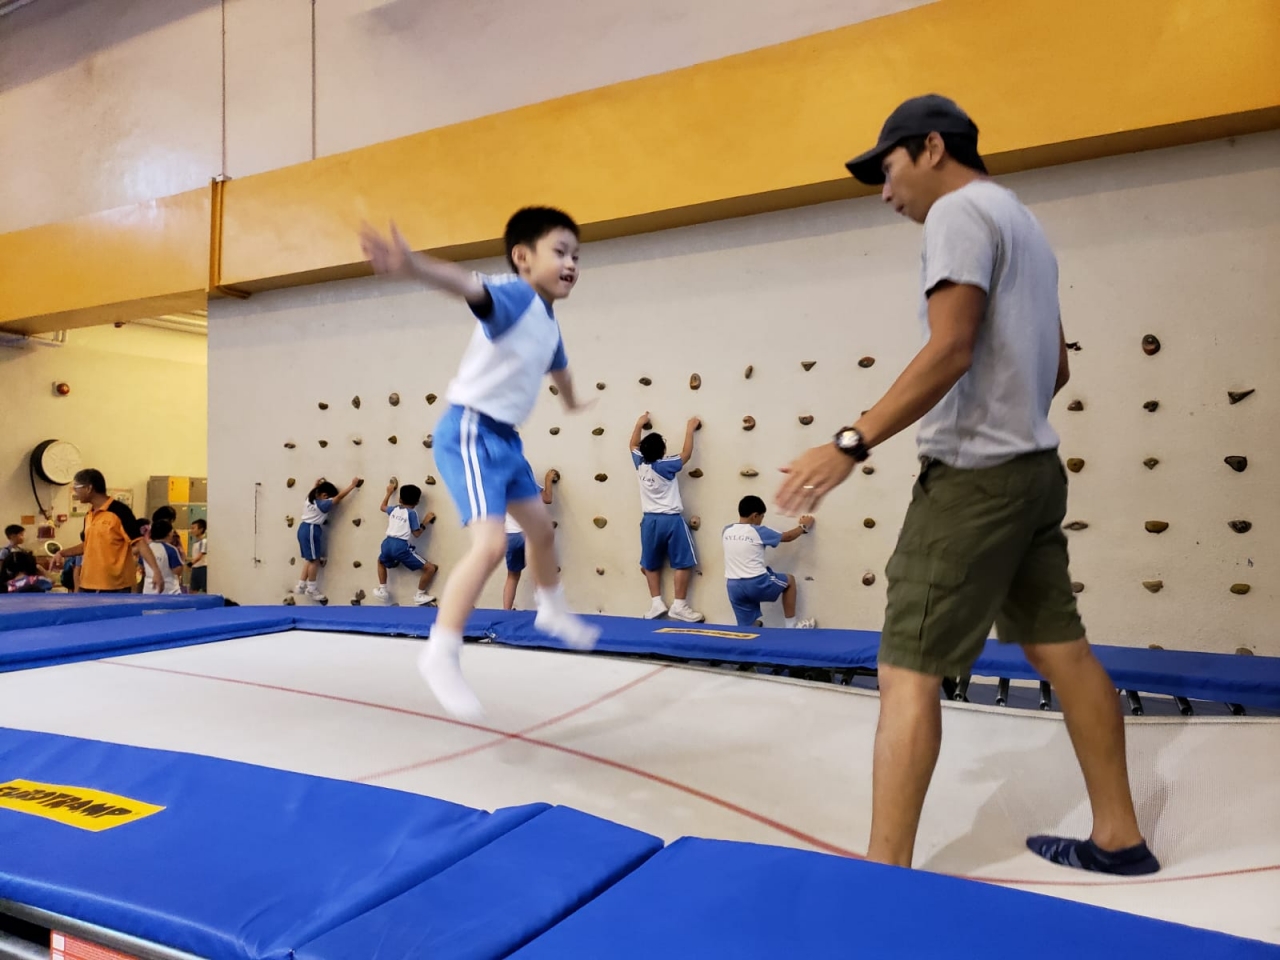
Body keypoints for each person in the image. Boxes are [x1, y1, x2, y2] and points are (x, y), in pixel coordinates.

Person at [776, 94, 1156, 876]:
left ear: (932, 148)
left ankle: (884, 877)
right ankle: (1119, 836)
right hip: (1034, 473)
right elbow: (1057, 366)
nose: (885, 192)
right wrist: (1012, 427)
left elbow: (952, 349)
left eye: (888, 170)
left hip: (973, 482)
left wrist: (851, 442)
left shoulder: (957, 213)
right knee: (1062, 651)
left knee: (907, 668)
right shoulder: (1024, 223)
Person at [360, 207, 600, 721]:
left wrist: (573, 401)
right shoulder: (514, 296)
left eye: (576, 256)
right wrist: (413, 266)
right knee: (490, 545)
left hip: (505, 441)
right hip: (469, 430)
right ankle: (441, 652)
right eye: (560, 252)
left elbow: (559, 369)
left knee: (541, 530)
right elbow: (467, 286)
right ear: (523, 258)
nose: (571, 264)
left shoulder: (548, 322)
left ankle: (552, 609)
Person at [630, 412, 704, 622]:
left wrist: (639, 424)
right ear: (662, 451)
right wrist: (690, 429)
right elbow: (686, 454)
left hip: (649, 521)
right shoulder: (665, 465)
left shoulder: (640, 463)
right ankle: (679, 605)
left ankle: (656, 603)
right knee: (683, 562)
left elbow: (632, 445)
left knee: (650, 563)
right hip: (671, 520)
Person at [54, 469, 163, 594]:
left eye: (76, 487)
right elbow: (87, 545)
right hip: (88, 585)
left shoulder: (120, 511)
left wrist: (156, 571)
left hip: (115, 587)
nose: (75, 492)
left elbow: (140, 542)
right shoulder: (89, 515)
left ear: (89, 488)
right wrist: (62, 553)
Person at [722, 496, 816, 628]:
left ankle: (751, 632)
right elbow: (788, 537)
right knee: (789, 581)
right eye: (762, 517)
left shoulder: (726, 530)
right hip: (756, 583)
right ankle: (791, 626)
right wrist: (803, 526)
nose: (761, 520)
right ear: (755, 516)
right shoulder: (758, 531)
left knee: (747, 628)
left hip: (733, 587)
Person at [294, 477, 361, 604]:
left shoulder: (309, 499)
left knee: (310, 559)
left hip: (303, 528)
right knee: (314, 560)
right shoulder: (322, 505)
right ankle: (311, 588)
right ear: (324, 496)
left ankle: (301, 585)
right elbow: (339, 497)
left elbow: (315, 491)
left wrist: (316, 484)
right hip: (311, 530)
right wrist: (352, 486)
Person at [373, 481, 438, 606]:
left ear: (400, 499)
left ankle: (382, 589)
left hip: (387, 543)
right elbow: (417, 533)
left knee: (380, 561)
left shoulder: (394, 509)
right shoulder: (412, 513)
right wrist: (425, 521)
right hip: (400, 546)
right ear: (417, 502)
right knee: (430, 568)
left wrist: (388, 493)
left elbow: (382, 507)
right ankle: (420, 594)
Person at [503, 468, 558, 610]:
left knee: (512, 576)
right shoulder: (527, 484)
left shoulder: (502, 487)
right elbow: (547, 498)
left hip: (510, 536)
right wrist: (548, 480)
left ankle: (506, 611)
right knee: (538, 575)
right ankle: (544, 610)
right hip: (528, 534)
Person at [142, 519, 184, 596]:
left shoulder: (145, 548)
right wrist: (183, 557)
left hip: (149, 590)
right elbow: (177, 571)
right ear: (168, 533)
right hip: (169, 591)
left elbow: (140, 566)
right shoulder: (171, 549)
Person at [188, 519, 208, 593]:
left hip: (202, 568)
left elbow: (200, 555)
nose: (191, 530)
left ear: (201, 529)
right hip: (195, 569)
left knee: (206, 590)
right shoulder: (195, 543)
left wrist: (190, 563)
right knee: (192, 590)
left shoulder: (204, 542)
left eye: (193, 528)